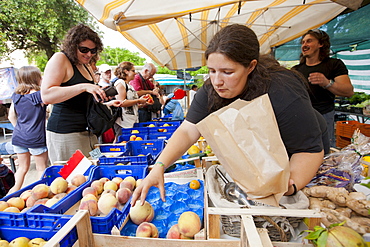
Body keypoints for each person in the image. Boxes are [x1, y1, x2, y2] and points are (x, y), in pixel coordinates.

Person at [132, 24, 329, 206]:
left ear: (251, 66)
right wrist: (159, 165)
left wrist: (289, 185)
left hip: (299, 153)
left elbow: (309, 149)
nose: (217, 81)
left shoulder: (282, 92)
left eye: (227, 72)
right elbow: (189, 129)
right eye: (212, 71)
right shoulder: (211, 90)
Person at [41, 24, 116, 163]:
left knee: (97, 166)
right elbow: (46, 95)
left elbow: (85, 96)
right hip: (66, 134)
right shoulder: (60, 58)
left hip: (88, 133)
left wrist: (105, 98)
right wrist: (83, 87)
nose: (89, 54)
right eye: (84, 49)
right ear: (72, 46)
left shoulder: (85, 64)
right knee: (73, 178)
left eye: (93, 51)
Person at [292, 29, 354, 147]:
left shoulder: (334, 64)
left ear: (321, 44)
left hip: (324, 115)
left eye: (309, 41)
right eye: (303, 42)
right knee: (302, 148)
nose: (304, 45)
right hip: (301, 116)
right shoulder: (296, 70)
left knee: (324, 149)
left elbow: (349, 91)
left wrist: (327, 83)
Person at [7, 66, 48, 194]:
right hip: (36, 138)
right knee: (41, 168)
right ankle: (36, 195)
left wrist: (20, 130)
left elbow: (11, 116)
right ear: (35, 78)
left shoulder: (16, 96)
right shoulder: (39, 96)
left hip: (19, 137)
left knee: (22, 168)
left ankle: (11, 195)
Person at [113, 61, 147, 141]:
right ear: (126, 71)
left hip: (131, 121)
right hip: (123, 122)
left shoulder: (130, 86)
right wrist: (138, 100)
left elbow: (131, 106)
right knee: (121, 142)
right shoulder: (120, 83)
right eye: (133, 71)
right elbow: (121, 103)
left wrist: (142, 103)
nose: (135, 73)